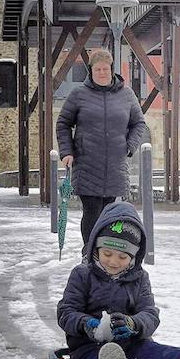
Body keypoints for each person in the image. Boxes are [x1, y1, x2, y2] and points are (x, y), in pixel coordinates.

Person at [56, 201, 180, 359]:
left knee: (155, 353)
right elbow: (66, 312)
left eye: (122, 257)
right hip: (88, 347)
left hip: (133, 344)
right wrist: (86, 324)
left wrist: (133, 324)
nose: (113, 262)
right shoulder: (82, 274)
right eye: (107, 254)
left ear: (133, 256)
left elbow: (150, 313)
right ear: (96, 247)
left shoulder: (139, 278)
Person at [56, 48, 148, 252]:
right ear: (91, 70)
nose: (102, 73)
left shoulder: (126, 94)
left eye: (105, 68)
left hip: (115, 165)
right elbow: (63, 123)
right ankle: (89, 252)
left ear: (111, 69)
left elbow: (138, 123)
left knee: (110, 212)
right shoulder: (79, 94)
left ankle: (105, 251)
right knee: (91, 211)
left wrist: (129, 147)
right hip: (87, 163)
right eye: (97, 69)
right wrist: (67, 151)